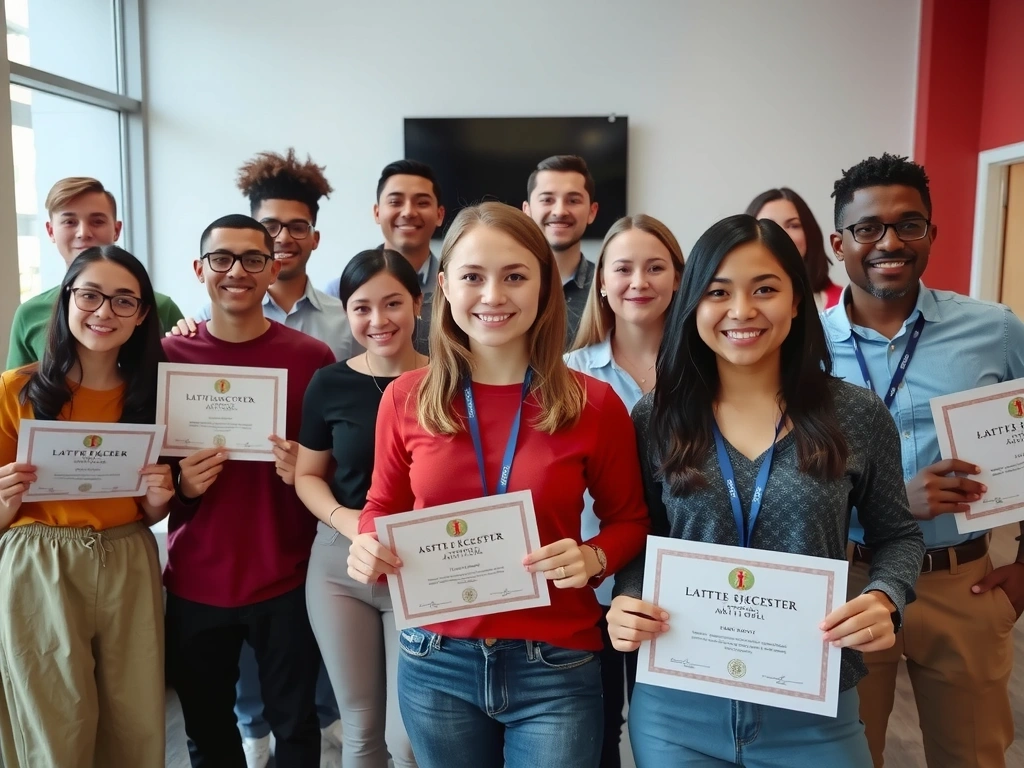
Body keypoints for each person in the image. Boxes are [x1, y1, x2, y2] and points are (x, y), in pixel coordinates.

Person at [608, 213, 925, 767]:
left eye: (765, 289)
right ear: (693, 305)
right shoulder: (657, 417)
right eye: (718, 292)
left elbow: (899, 536)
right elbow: (642, 536)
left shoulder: (854, 414)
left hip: (811, 704)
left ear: (798, 300)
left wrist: (885, 598)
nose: (741, 311)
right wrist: (627, 597)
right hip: (679, 703)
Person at [347, 202, 650, 768]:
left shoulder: (593, 403)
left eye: (514, 276)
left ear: (543, 285)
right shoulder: (405, 398)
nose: (493, 296)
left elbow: (630, 521)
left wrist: (593, 558)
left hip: (556, 662)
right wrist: (367, 541)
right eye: (472, 277)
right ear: (442, 286)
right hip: (436, 658)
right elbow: (381, 506)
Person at [822, 153, 1024, 768]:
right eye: (868, 228)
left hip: (964, 580)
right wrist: (887, 501)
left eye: (909, 225)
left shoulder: (995, 330)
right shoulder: (802, 346)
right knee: (849, 758)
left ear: (932, 234)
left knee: (975, 758)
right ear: (839, 244)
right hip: (851, 583)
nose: (890, 242)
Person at [175, 148, 347, 767]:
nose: (238, 271)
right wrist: (181, 484)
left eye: (253, 259)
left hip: (288, 572)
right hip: (197, 574)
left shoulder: (311, 358)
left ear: (273, 265)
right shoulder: (170, 357)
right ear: (200, 269)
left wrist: (309, 463)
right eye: (222, 259)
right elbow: (149, 467)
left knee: (296, 725)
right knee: (207, 731)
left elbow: (339, 462)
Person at [0, 246, 173, 768]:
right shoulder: (16, 391)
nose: (104, 312)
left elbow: (147, 508)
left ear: (143, 314)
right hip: (39, 563)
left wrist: (157, 502)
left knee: (136, 718)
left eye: (124, 301)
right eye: (90, 295)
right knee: (54, 720)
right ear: (66, 301)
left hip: (128, 557)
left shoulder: (153, 397)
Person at [296, 248, 426, 768]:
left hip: (418, 565)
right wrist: (349, 521)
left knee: (408, 737)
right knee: (361, 730)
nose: (378, 320)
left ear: (419, 303)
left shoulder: (450, 380)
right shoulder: (330, 383)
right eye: (361, 307)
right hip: (338, 563)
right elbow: (307, 476)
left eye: (393, 303)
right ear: (346, 311)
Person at [564, 213, 684, 768]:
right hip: (590, 587)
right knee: (596, 738)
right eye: (624, 268)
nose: (640, 281)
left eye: (656, 267)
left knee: (670, 740)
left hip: (683, 592)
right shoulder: (565, 377)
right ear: (603, 283)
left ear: (680, 279)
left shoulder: (710, 374)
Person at [7, 177, 184, 369]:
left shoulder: (161, 307)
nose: (83, 232)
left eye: (97, 221)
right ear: (50, 231)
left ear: (116, 230)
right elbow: (19, 392)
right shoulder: (29, 314)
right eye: (69, 221)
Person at [324, 160, 445, 354]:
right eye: (395, 202)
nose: (408, 212)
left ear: (439, 215)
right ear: (377, 212)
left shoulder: (454, 290)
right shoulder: (337, 293)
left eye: (422, 203)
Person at [523, 155, 600, 348]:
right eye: (547, 199)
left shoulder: (607, 287)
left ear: (592, 211)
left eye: (573, 200)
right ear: (527, 210)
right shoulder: (506, 285)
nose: (560, 211)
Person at [746, 187, 842, 310]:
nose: (781, 235)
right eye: (768, 225)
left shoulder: (845, 305)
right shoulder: (729, 302)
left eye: (793, 225)